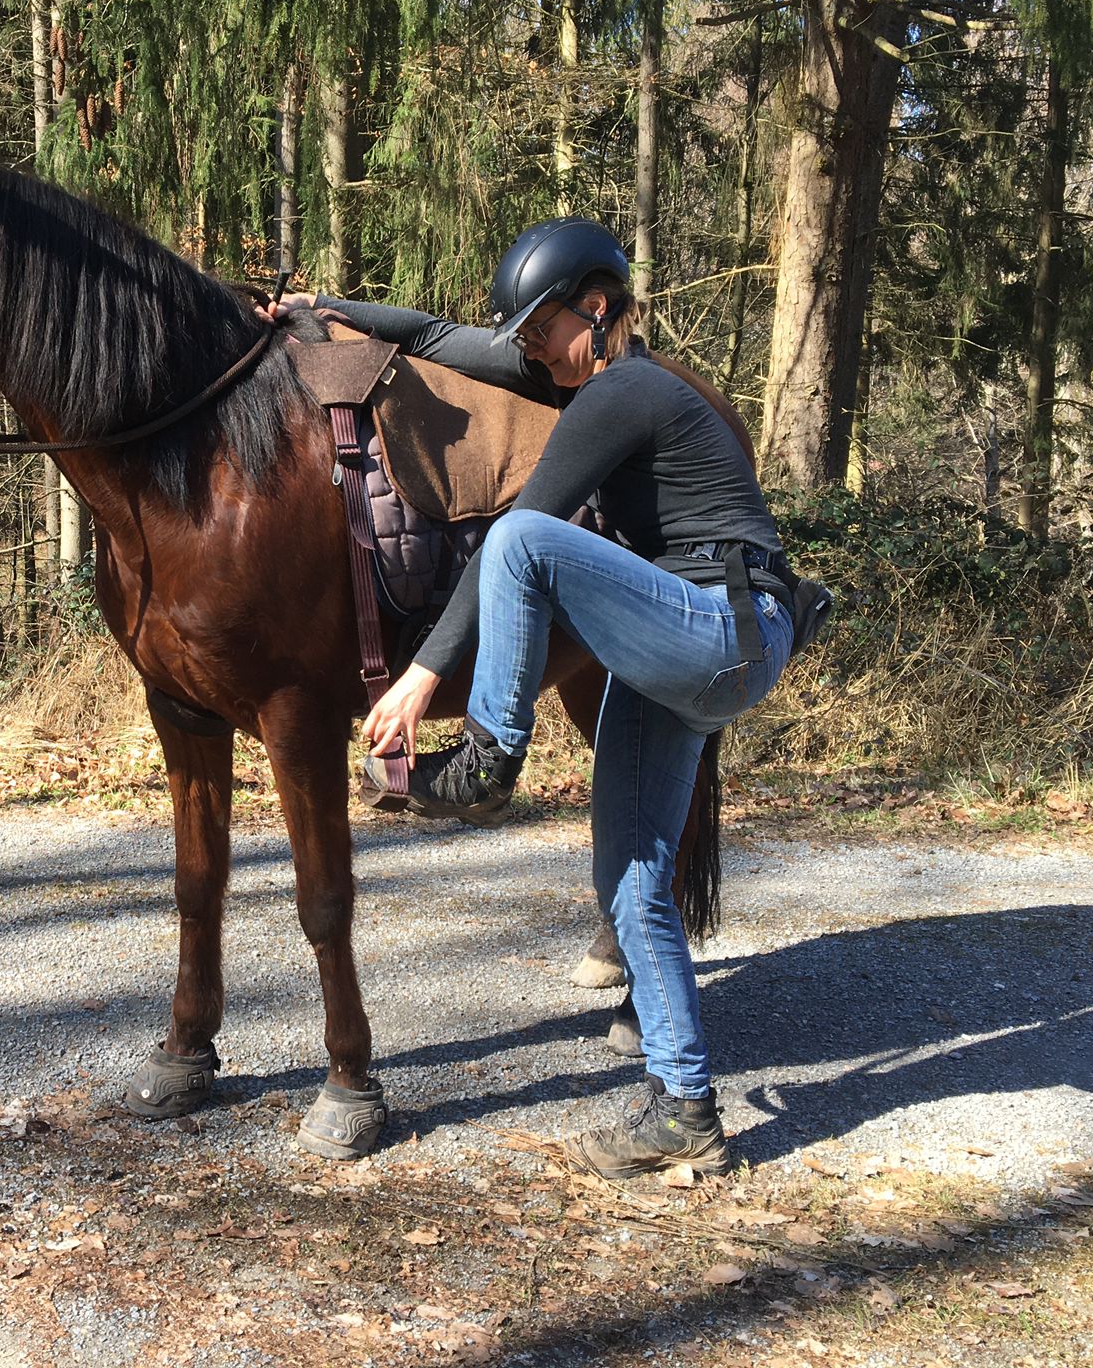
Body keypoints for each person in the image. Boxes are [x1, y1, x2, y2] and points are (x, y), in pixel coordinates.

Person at [274, 218, 796, 1179]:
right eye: (523, 336)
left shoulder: (627, 387)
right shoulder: (580, 372)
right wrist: (329, 309)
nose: (529, 352)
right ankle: (685, 1110)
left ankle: (490, 757)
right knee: (632, 878)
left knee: (518, 540)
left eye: (540, 332)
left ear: (595, 310)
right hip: (679, 644)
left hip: (729, 626)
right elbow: (439, 338)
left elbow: (525, 534)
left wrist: (422, 676)